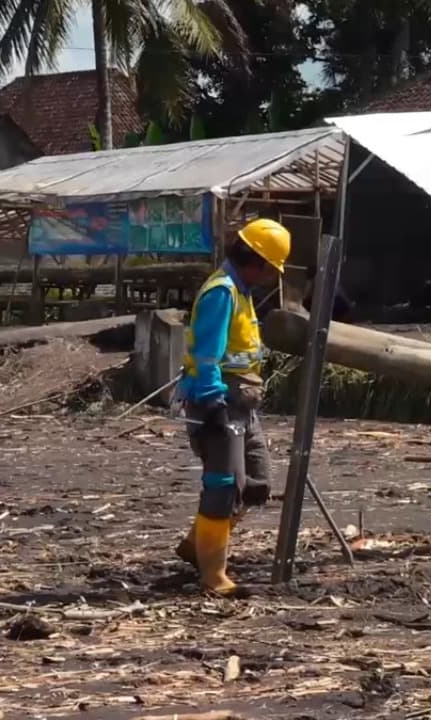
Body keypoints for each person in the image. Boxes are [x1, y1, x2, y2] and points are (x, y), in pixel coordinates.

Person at [173, 218, 291, 596]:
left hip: (243, 405)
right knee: (223, 486)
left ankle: (197, 545)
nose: (274, 276)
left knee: (256, 484)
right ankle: (213, 575)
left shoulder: (241, 292)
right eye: (272, 269)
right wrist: (214, 405)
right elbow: (208, 355)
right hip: (219, 402)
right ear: (256, 261)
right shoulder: (221, 293)